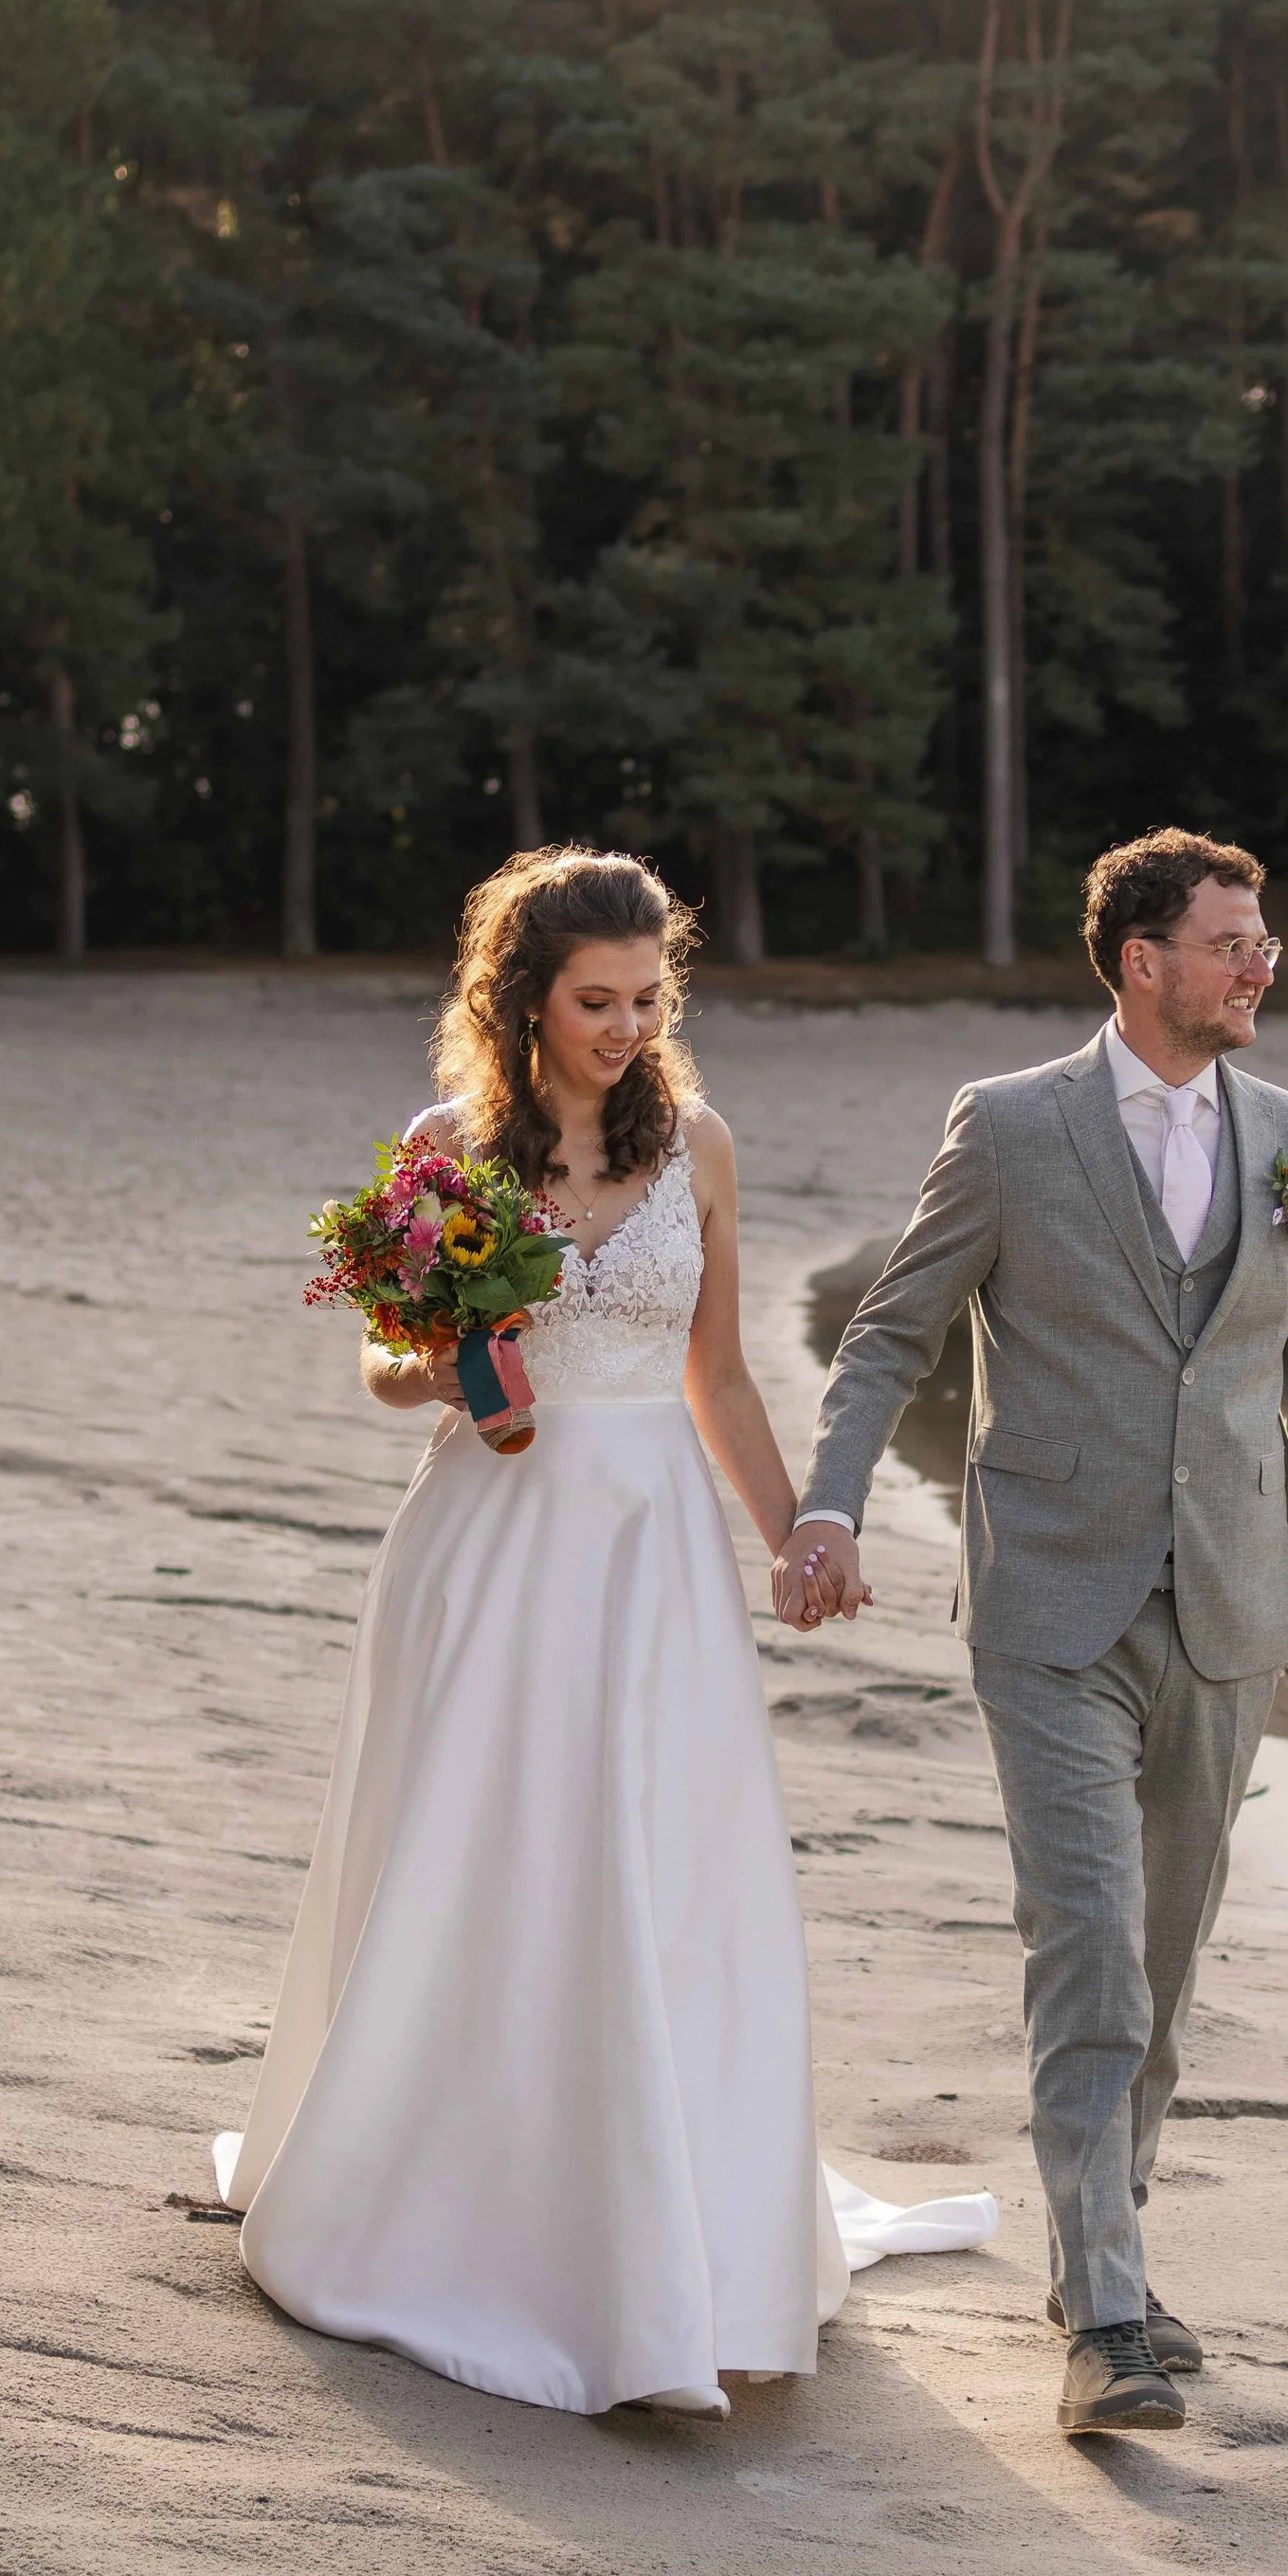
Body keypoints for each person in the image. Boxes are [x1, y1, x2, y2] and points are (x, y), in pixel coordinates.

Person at [212, 848, 992, 2420]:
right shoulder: (449, 1150)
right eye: (595, 1001)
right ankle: (451, 2194)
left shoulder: (697, 1144)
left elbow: (718, 1374)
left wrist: (800, 1532)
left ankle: (664, 2210)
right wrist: (442, 1375)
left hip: (653, 1557)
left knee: (656, 1862)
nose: (627, 1026)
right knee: (481, 1850)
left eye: (648, 998)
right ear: (521, 1000)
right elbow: (388, 1357)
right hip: (488, 1545)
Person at [780, 828, 1288, 2439]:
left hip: (1227, 1606)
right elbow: (888, 1335)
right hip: (1052, 1604)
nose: (1262, 962)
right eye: (1232, 940)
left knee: (1169, 1953)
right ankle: (1111, 2318)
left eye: (1265, 938)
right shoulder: (1010, 1128)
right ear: (1142, 959)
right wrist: (832, 1507)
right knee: (1092, 1951)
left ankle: (1096, 2241)